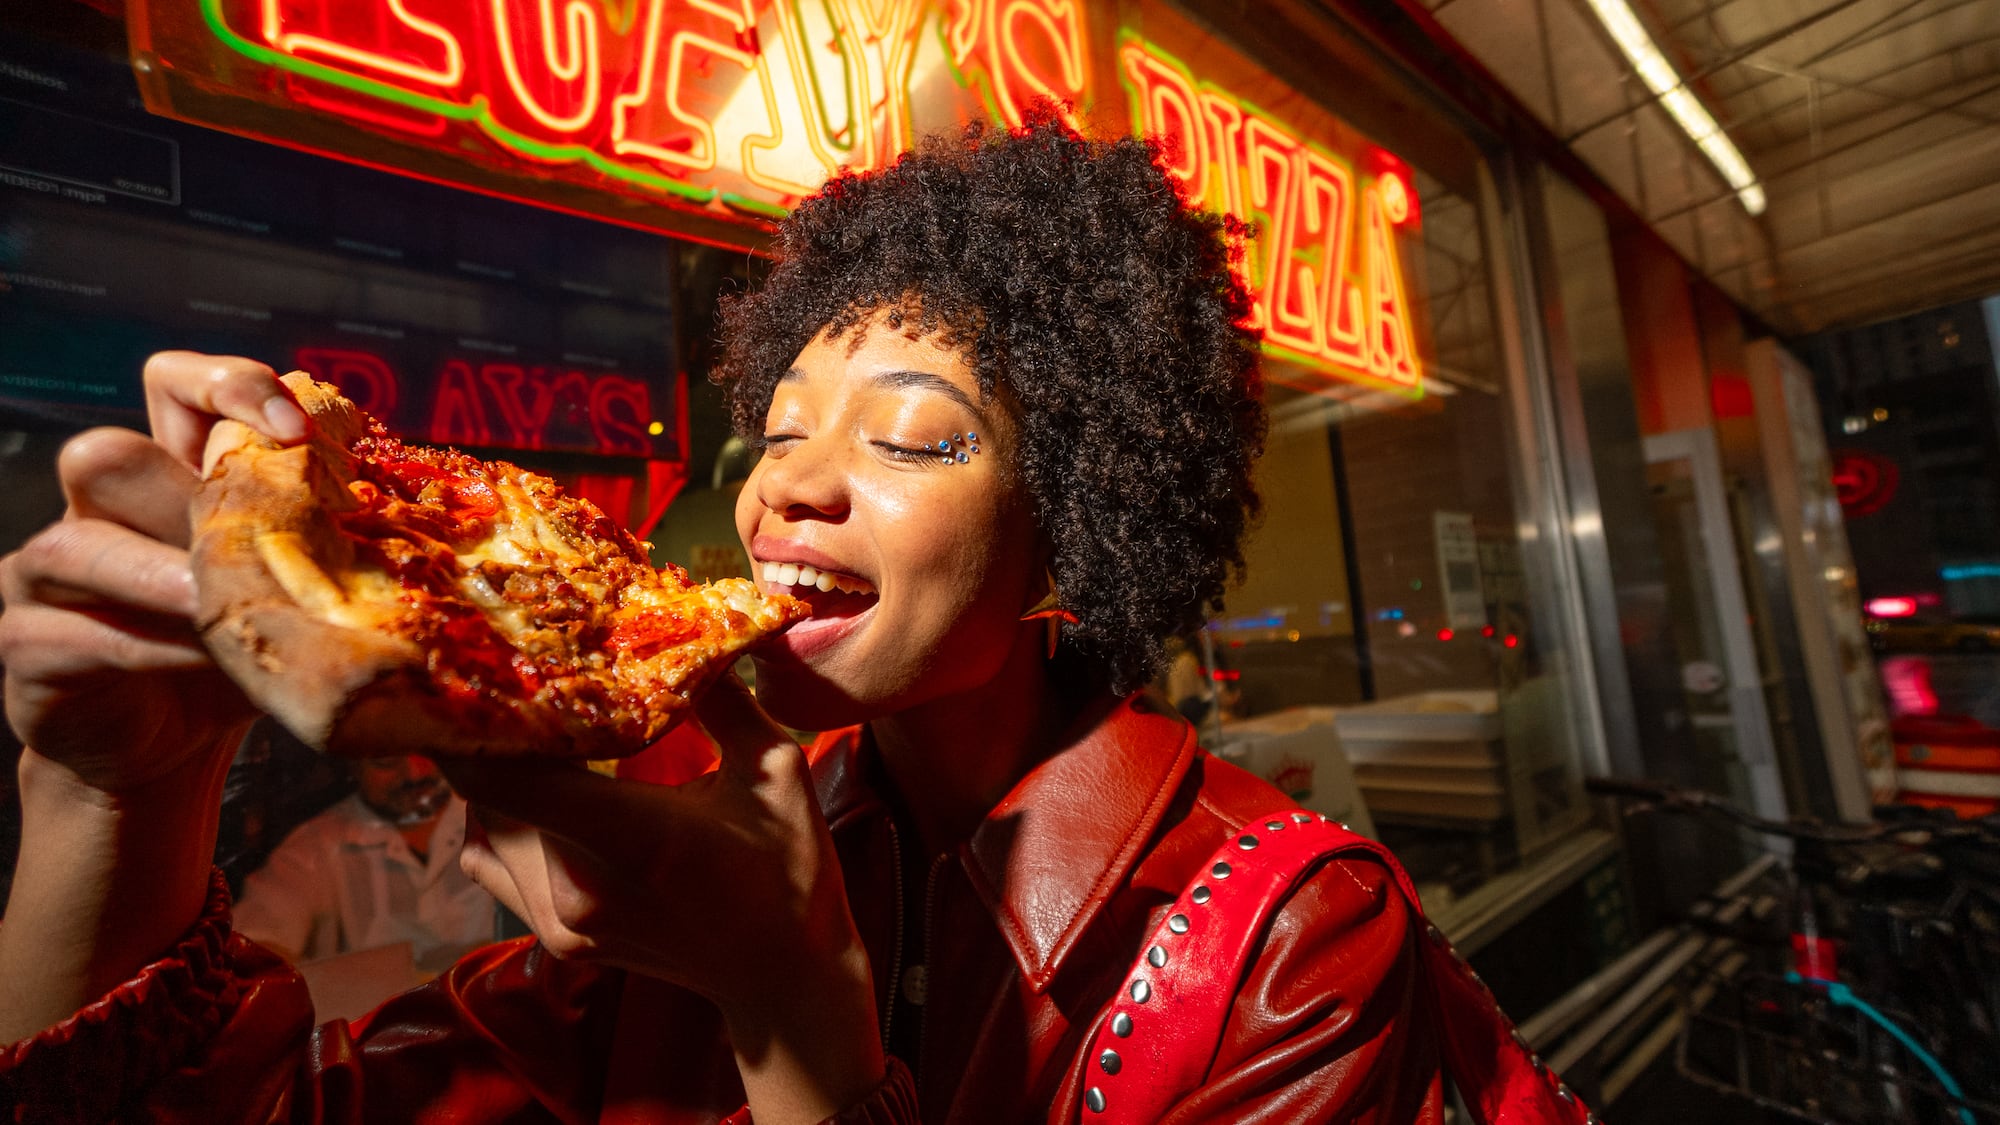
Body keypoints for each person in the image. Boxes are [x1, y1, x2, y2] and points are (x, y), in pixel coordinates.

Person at [0, 114, 1587, 1123]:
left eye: (913, 439)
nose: (787, 491)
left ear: (1075, 536)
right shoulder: (708, 849)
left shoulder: (1296, 941)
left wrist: (785, 1013)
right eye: (777, 430)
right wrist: (116, 790)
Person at [233, 755, 496, 974]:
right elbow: (254, 944)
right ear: (353, 766)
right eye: (386, 761)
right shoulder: (315, 848)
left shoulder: (498, 822)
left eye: (424, 753)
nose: (414, 774)